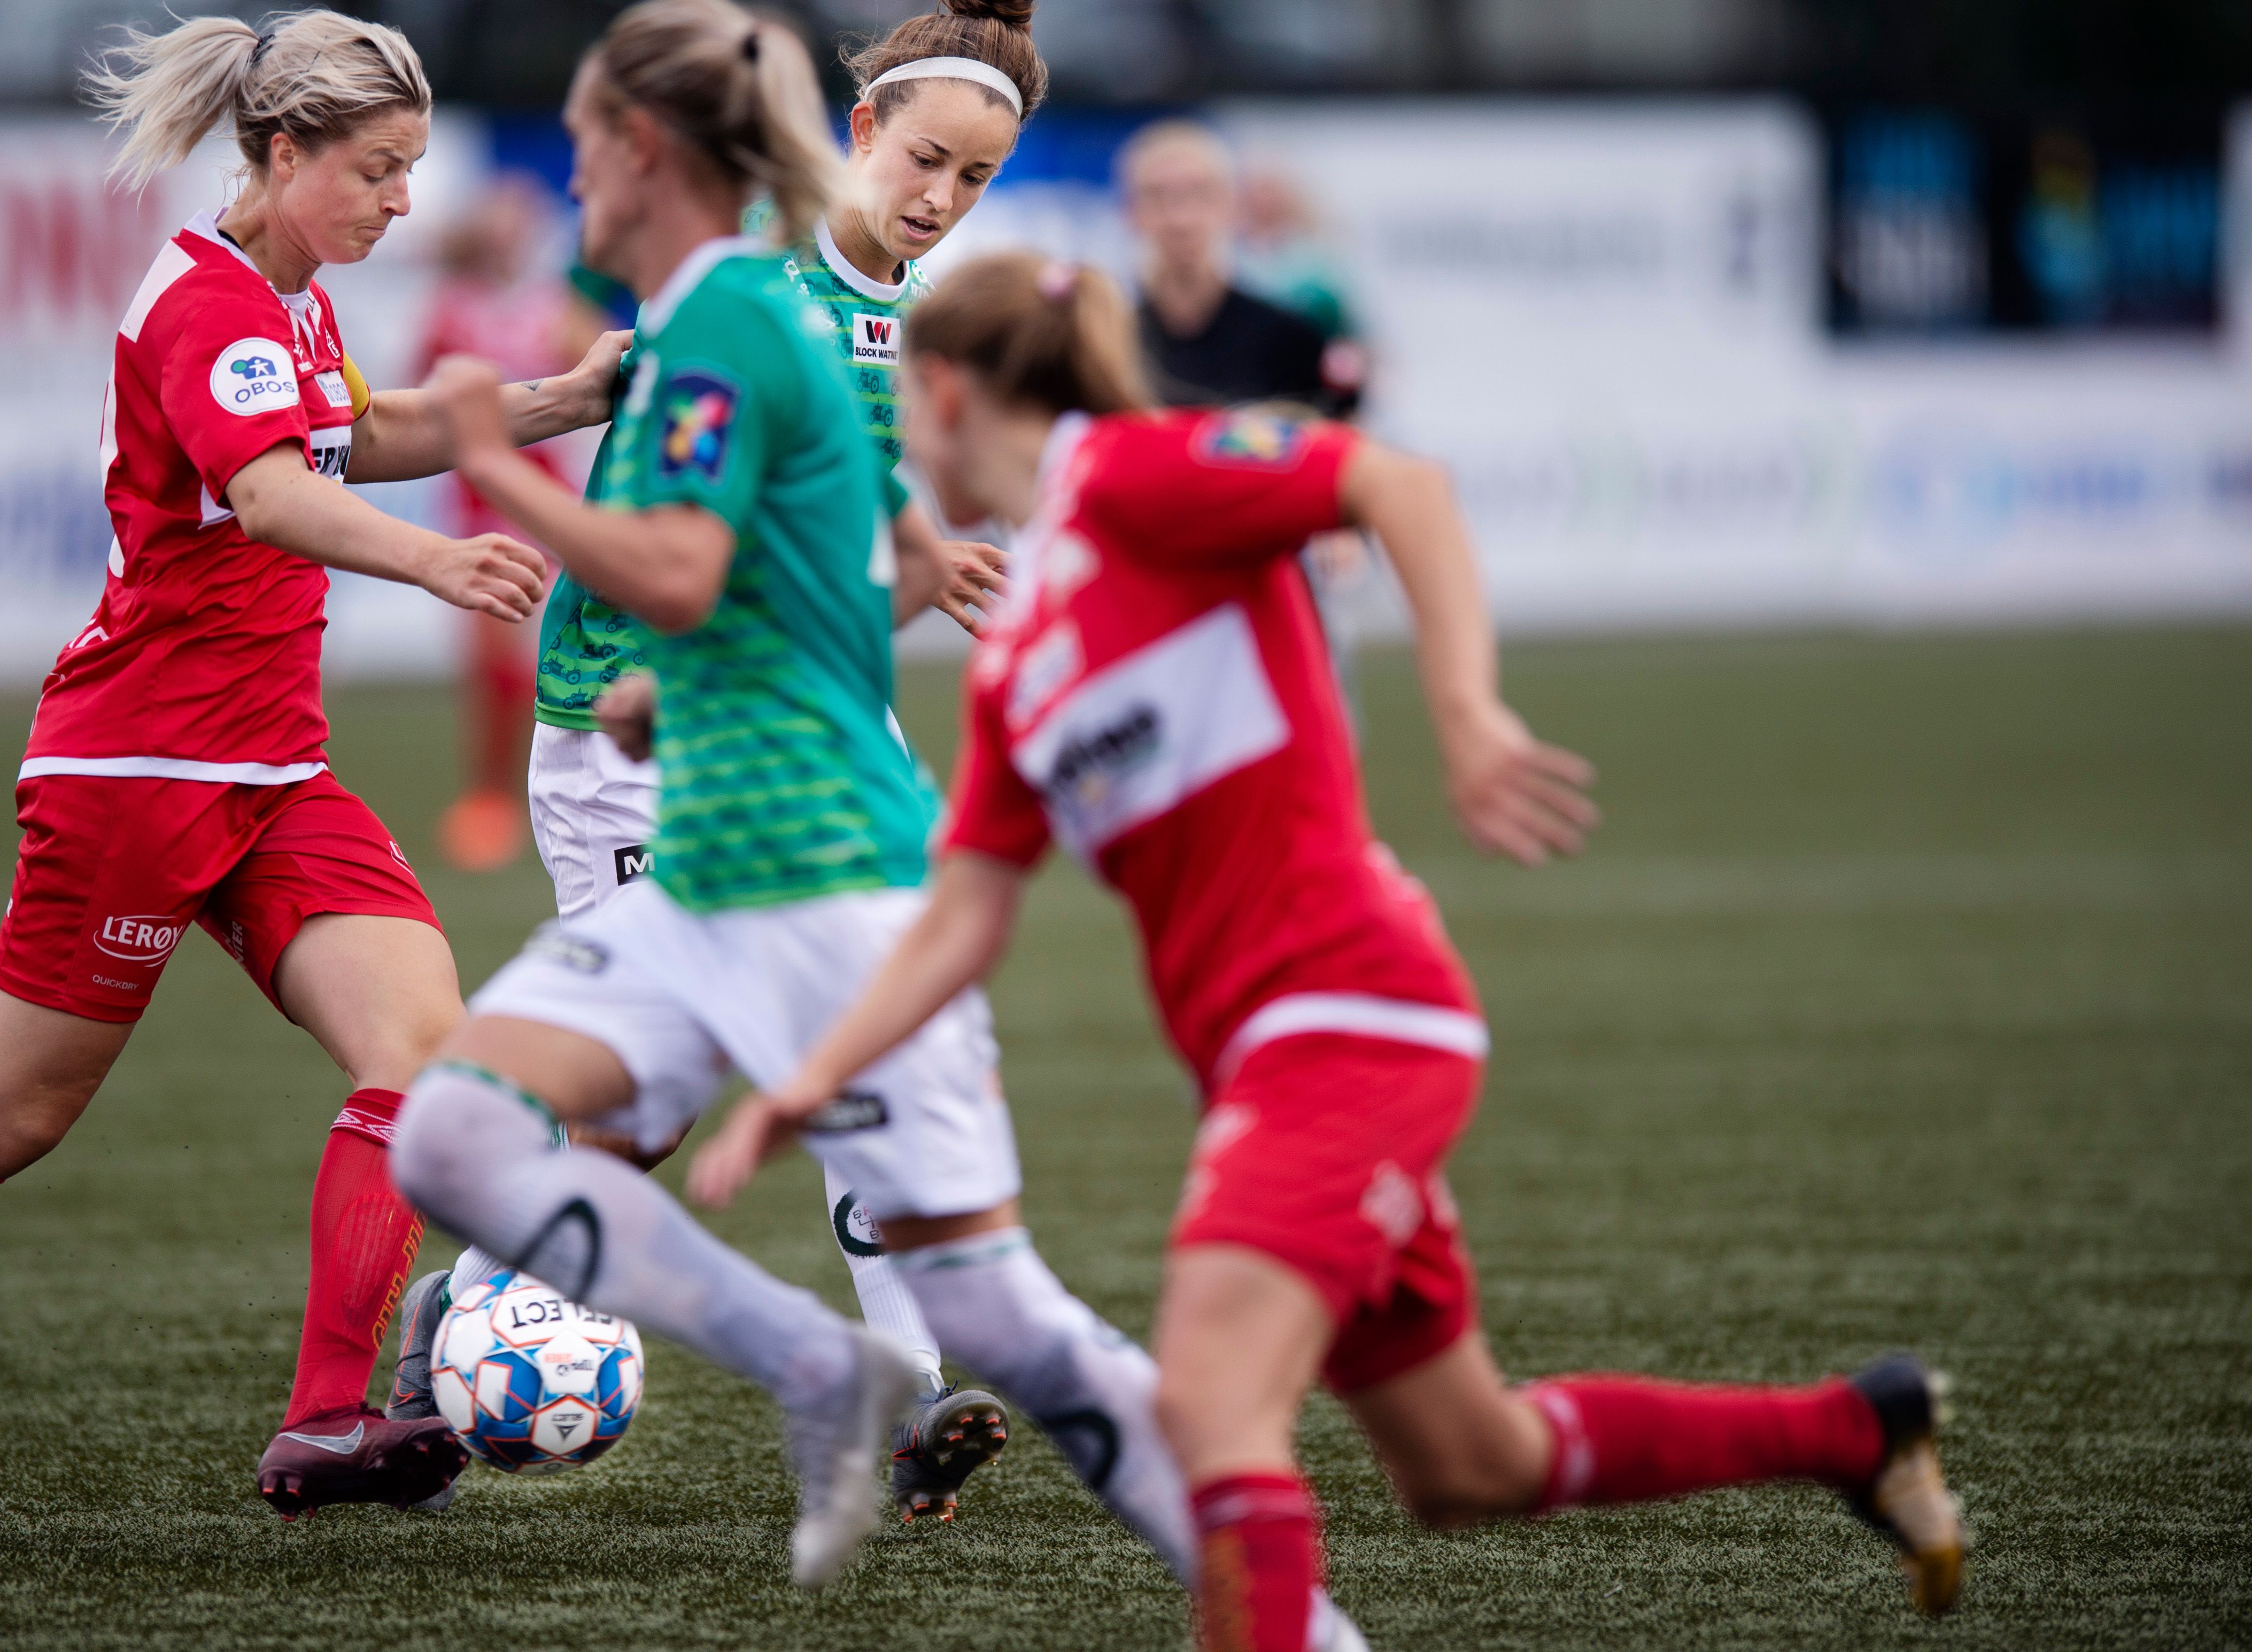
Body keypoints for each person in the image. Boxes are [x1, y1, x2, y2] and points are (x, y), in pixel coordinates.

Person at [684, 252, 1971, 1648]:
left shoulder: (1129, 478)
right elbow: (963, 913)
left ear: (941, 392)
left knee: (1211, 1405)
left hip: (1353, 1012)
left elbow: (1399, 485)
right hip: (1265, 1059)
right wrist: (812, 1078)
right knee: (1468, 1463)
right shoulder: (1013, 655)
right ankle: (1856, 1430)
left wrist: (1467, 714)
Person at [0, 6, 630, 1548]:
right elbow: (272, 494)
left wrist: (564, 399)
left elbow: (358, 430)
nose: (403, 201)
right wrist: (440, 560)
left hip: (275, 775)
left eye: (413, 171)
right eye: (378, 169)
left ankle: (326, 1418)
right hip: (134, 770)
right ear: (283, 151)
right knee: (14, 1112)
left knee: (423, 1049)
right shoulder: (204, 301)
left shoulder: (294, 299)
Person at [385, 0, 1203, 1597]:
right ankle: (482, 1303)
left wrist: (923, 564)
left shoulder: (876, 321)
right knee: (620, 1105)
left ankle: (927, 1390)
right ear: (859, 128)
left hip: (804, 761)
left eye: (974, 178)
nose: (940, 197)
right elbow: (709, 550)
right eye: (926, 159)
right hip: (648, 740)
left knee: (854, 1078)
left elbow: (808, 548)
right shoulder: (751, 283)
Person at [412, 174, 612, 873]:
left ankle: (582, 783)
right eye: (500, 223)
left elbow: (615, 373)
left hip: (548, 501)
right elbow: (415, 408)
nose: (512, 236)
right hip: (481, 507)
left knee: (573, 647)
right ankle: (490, 799)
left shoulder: (556, 306)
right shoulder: (451, 310)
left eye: (520, 224)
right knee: (494, 661)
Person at [1121, 120, 1361, 418]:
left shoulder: (1291, 341)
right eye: (1158, 196)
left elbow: (1340, 436)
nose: (1180, 219)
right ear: (1129, 211)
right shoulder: (1110, 344)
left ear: (1233, 206)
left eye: (1200, 194)